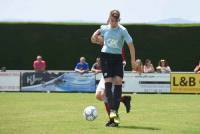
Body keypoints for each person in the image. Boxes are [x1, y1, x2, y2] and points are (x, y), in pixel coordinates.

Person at [91, 10, 136, 127]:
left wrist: (132, 61)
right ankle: (114, 116)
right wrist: (95, 36)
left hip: (117, 60)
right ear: (109, 18)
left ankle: (113, 117)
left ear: (118, 20)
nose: (113, 22)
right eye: (111, 20)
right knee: (105, 90)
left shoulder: (122, 30)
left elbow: (130, 44)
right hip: (106, 59)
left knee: (114, 87)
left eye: (115, 20)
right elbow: (94, 40)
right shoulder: (104, 29)